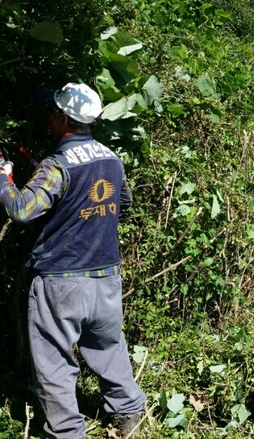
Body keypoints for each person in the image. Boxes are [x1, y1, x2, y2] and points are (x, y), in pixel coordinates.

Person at [0, 83, 146, 438]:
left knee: (53, 363)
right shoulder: (111, 157)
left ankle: (66, 432)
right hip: (106, 275)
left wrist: (4, 177)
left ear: (61, 118)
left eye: (53, 113)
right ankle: (131, 416)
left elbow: (21, 209)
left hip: (61, 280)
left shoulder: (57, 165)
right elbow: (122, 204)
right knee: (108, 348)